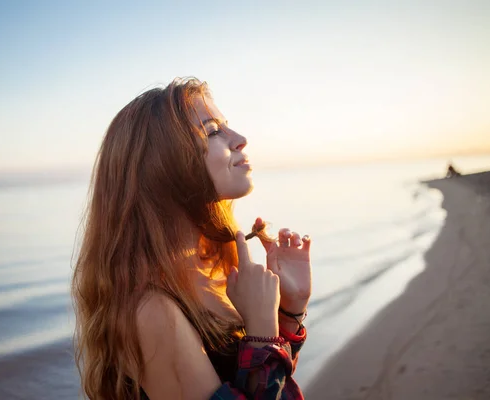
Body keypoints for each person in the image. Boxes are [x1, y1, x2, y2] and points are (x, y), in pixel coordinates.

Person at [72, 78, 313, 399]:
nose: (240, 139)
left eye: (226, 127)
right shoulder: (150, 311)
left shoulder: (216, 267)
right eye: (213, 131)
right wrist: (260, 330)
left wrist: (288, 310)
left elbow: (271, 387)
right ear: (162, 163)